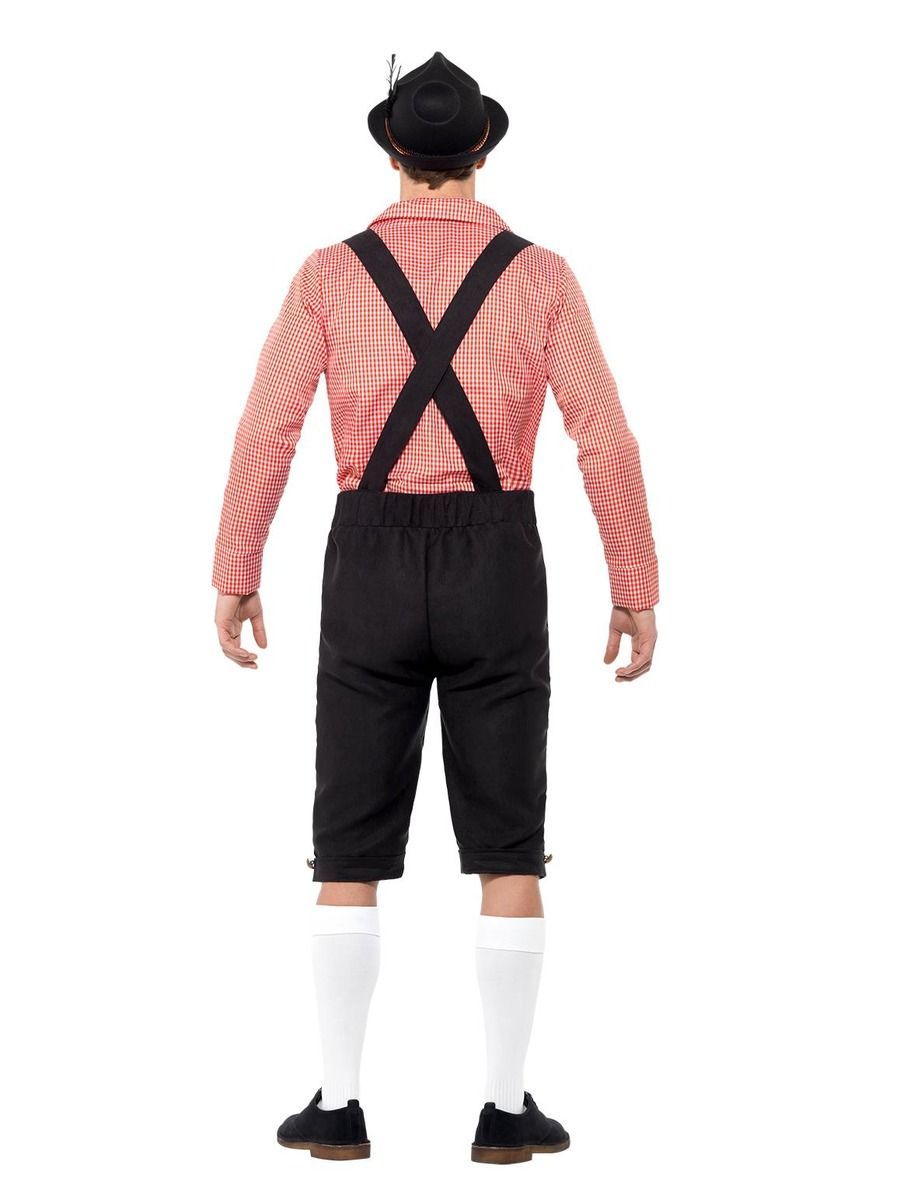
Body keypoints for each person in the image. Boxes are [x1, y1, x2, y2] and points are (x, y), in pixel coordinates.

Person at [211, 50, 659, 1164]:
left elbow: (268, 427)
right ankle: (505, 1110)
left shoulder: (329, 275)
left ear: (393, 154)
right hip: (498, 560)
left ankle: (338, 1104)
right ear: (482, 151)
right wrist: (634, 583)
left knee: (348, 845)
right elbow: (603, 437)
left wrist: (236, 565)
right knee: (509, 842)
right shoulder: (542, 277)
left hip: (365, 559)